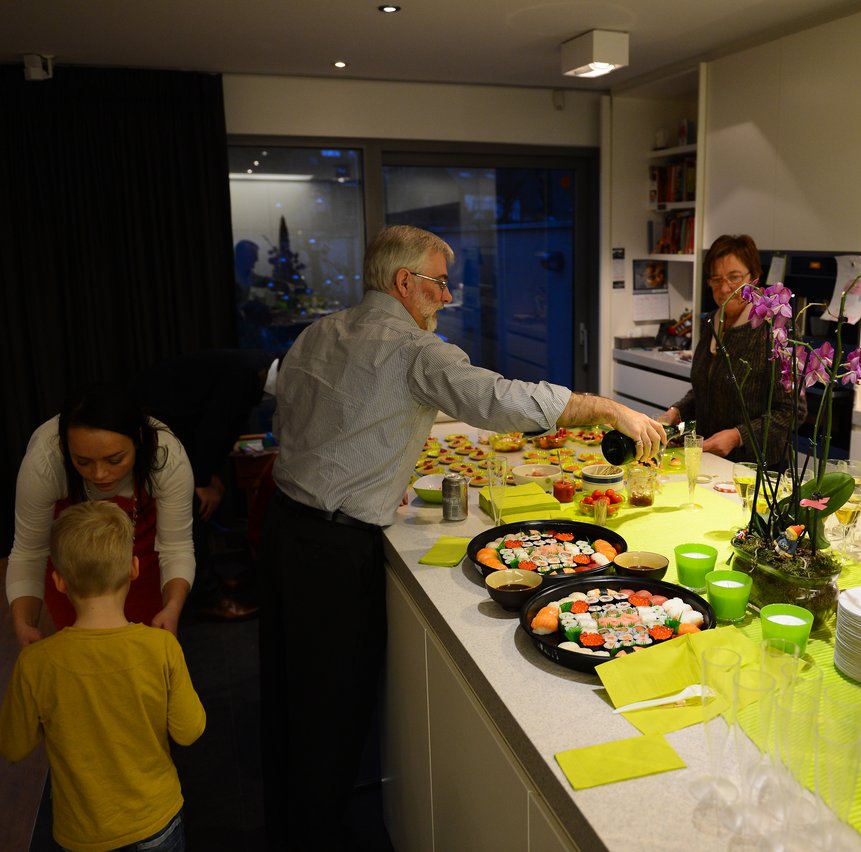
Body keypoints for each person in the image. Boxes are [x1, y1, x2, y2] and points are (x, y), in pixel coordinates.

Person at [259, 224, 665, 846]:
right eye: (439, 283)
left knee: (286, 694)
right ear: (405, 283)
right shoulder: (417, 352)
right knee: (332, 711)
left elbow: (294, 410)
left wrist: (361, 469)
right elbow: (504, 401)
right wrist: (608, 408)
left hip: (283, 525)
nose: (447, 297)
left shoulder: (320, 330)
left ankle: (286, 821)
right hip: (334, 550)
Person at [0, 501, 206, 852]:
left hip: (81, 833)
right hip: (156, 822)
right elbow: (190, 730)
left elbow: (13, 746)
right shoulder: (162, 648)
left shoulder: (36, 663)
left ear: (59, 582)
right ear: (134, 568)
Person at [6, 385, 195, 647]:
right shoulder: (44, 462)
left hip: (144, 556)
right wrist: (24, 623)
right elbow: (29, 552)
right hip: (76, 564)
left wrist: (172, 608)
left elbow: (176, 548)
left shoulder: (167, 455)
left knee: (144, 649)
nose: (99, 475)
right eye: (82, 462)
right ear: (65, 447)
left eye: (114, 460)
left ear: (138, 438)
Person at [136, 349, 277, 621]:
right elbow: (214, 427)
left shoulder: (253, 368)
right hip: (152, 427)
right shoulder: (247, 373)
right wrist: (200, 481)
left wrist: (207, 472)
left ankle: (209, 583)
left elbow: (217, 427)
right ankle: (206, 596)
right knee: (191, 510)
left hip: (176, 429)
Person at [663, 233, 805, 463]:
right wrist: (676, 412)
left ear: (754, 278)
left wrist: (739, 436)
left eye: (735, 277)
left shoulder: (776, 329)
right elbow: (706, 389)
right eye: (716, 279)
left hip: (757, 471)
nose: (725, 288)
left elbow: (791, 412)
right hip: (710, 462)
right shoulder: (711, 322)